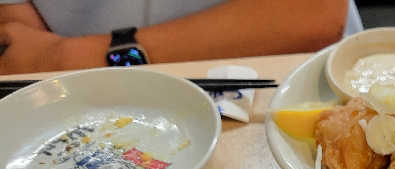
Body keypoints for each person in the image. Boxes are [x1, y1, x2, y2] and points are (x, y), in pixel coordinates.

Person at [0, 0, 363, 74]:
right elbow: (16, 44)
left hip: (287, 80)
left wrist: (73, 57)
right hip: (76, 102)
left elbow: (311, 16)